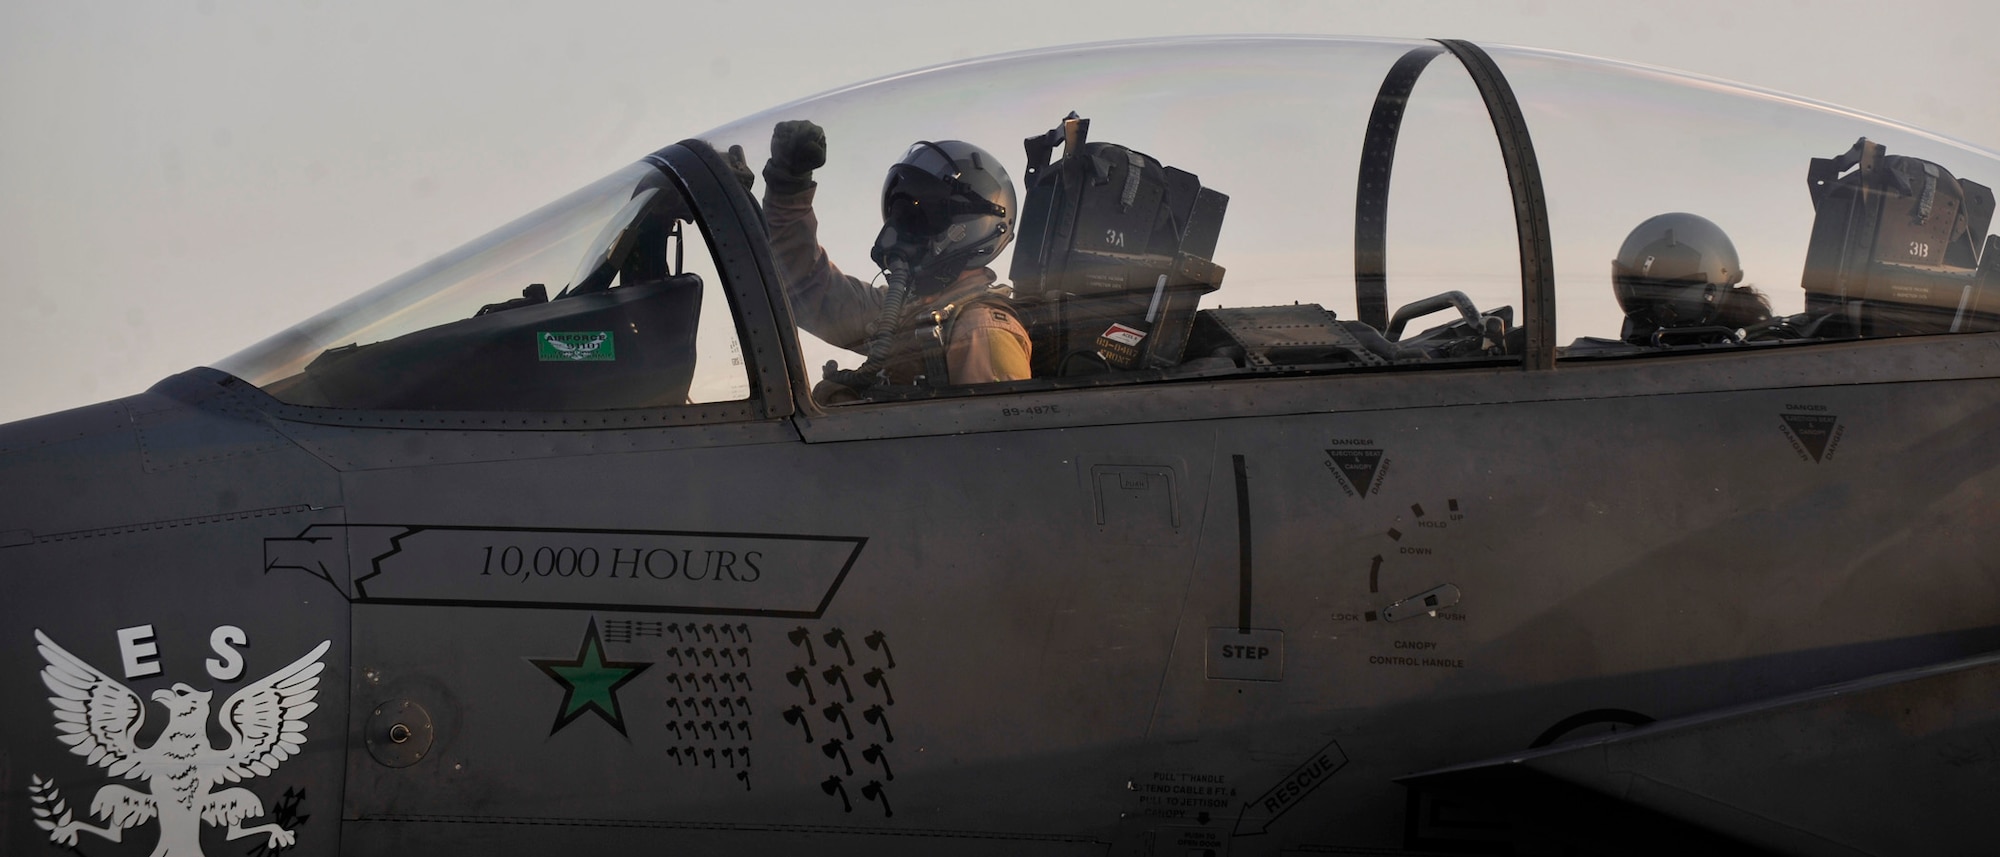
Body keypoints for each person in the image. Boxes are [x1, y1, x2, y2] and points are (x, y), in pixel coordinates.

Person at [737, 120, 1030, 402]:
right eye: (900, 216)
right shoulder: (902, 313)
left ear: (968, 228)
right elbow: (803, 286)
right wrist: (788, 191)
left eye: (918, 219)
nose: (898, 233)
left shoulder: (980, 330)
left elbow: (998, 446)